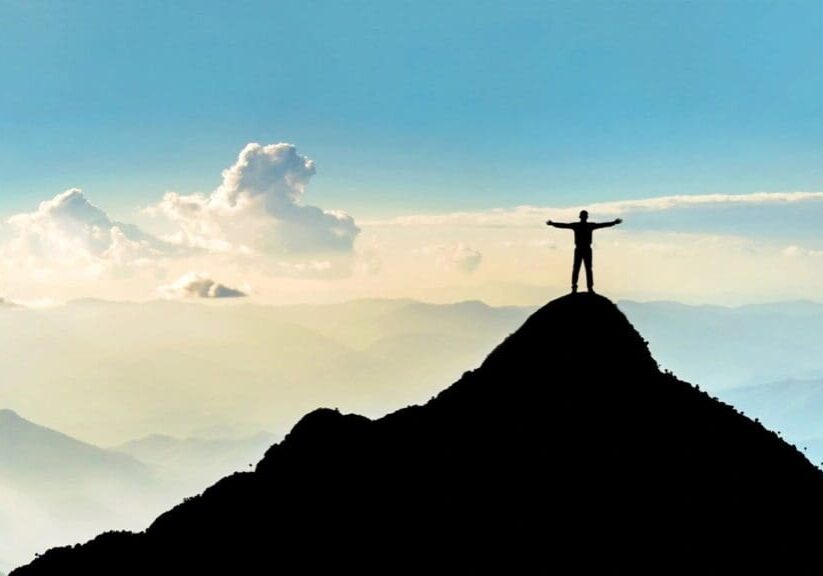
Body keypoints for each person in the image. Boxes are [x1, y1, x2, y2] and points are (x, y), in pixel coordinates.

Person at [546, 210, 622, 293]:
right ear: (583, 217)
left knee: (585, 268)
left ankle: (586, 287)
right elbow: (563, 225)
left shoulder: (585, 225)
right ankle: (577, 287)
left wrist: (613, 222)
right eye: (584, 216)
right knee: (579, 268)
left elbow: (602, 225)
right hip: (581, 249)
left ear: (583, 217)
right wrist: (553, 224)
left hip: (585, 249)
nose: (584, 217)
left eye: (584, 216)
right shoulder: (582, 225)